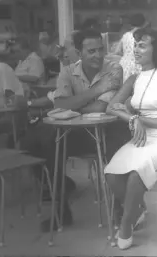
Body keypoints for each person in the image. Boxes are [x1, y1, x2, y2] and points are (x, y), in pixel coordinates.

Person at [20, 29, 126, 232]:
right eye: (91, 51)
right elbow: (59, 103)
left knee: (115, 149)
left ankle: (120, 208)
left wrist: (73, 104)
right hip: (80, 133)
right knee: (49, 142)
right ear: (79, 52)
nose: (97, 55)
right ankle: (61, 209)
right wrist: (96, 90)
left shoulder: (114, 69)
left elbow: (100, 108)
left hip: (108, 131)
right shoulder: (68, 71)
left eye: (100, 49)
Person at [105, 28, 157, 250]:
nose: (136, 49)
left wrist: (139, 118)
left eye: (142, 45)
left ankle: (126, 225)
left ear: (156, 50)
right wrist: (132, 118)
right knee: (112, 173)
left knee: (136, 172)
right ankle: (138, 209)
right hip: (144, 137)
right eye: (136, 44)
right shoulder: (134, 78)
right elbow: (111, 106)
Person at [114, 13, 147, 81]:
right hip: (137, 66)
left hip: (124, 66)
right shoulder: (143, 36)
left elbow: (117, 51)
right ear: (143, 23)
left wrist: (127, 55)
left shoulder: (126, 35)